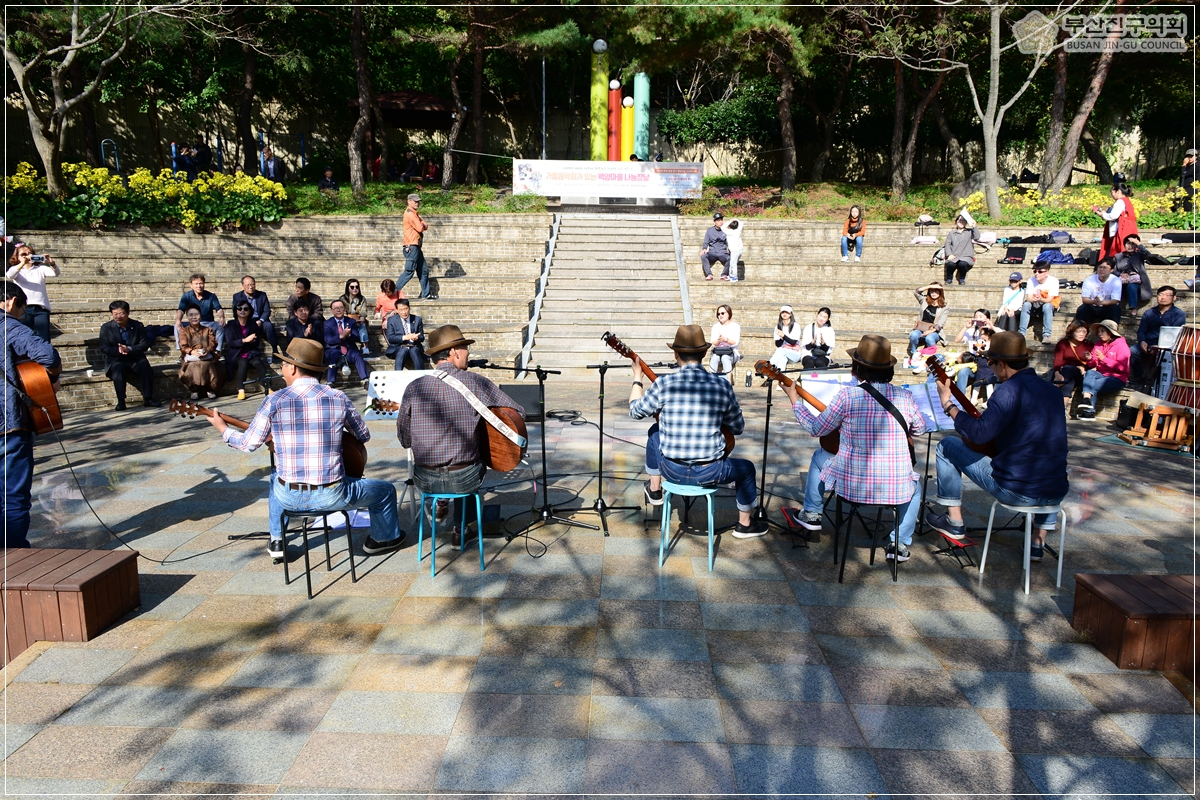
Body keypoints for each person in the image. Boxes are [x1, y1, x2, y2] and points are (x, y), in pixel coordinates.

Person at [209, 337, 405, 560]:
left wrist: (223, 428)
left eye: (283, 364)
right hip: (332, 496)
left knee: (275, 478)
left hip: (288, 496)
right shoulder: (337, 397)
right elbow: (363, 435)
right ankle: (382, 539)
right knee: (385, 491)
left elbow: (247, 444)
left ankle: (277, 540)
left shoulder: (274, 400)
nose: (282, 369)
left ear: (292, 367)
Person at [926, 331, 1069, 563]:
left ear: (1003, 365)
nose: (989, 366)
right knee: (1050, 460)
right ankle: (1037, 541)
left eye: (991, 362)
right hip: (1056, 493)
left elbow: (978, 434)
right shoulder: (1053, 391)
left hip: (1018, 493)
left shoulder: (1008, 391)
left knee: (948, 445)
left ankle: (954, 522)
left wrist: (947, 404)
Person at [784, 334, 926, 563]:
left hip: (853, 486)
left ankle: (812, 514)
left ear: (856, 369)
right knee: (915, 488)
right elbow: (919, 429)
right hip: (894, 487)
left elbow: (817, 428)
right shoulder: (904, 396)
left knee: (821, 456)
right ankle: (898, 544)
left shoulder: (847, 396)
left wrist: (795, 402)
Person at [631, 324, 767, 538]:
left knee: (655, 432)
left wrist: (637, 378)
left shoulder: (664, 384)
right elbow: (738, 428)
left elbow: (635, 411)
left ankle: (655, 488)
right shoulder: (721, 386)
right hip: (710, 471)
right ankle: (745, 525)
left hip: (670, 469)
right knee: (747, 468)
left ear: (676, 354)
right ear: (705, 353)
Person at [398, 325, 525, 547]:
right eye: (465, 348)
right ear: (454, 352)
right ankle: (460, 530)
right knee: (472, 461)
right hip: (464, 478)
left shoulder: (414, 387)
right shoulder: (475, 382)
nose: (469, 353)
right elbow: (518, 412)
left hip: (425, 480)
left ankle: (441, 502)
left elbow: (404, 440)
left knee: (451, 457)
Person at [2, 281, 62, 548]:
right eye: (22, 310)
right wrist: (53, 378)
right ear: (13, 302)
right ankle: (14, 556)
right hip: (9, 424)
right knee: (13, 494)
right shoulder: (9, 326)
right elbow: (48, 355)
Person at [99, 300, 160, 411]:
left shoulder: (137, 325)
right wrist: (119, 350)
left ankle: (148, 398)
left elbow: (144, 344)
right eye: (115, 314)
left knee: (145, 366)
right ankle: (121, 401)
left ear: (128, 313)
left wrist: (130, 349)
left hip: (135, 357)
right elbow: (104, 348)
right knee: (118, 369)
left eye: (121, 313)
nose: (118, 316)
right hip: (117, 359)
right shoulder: (106, 328)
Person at [1076, 319, 1130, 419]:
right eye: (1099, 331)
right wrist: (1090, 359)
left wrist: (1104, 359)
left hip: (1118, 378)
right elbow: (1093, 364)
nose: (1100, 334)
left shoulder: (1122, 346)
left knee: (1092, 385)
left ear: (1111, 332)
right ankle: (1086, 399)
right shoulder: (1098, 344)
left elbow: (1123, 368)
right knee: (1090, 372)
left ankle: (1089, 413)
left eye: (1102, 331)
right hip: (1102, 374)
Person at [6, 244, 59, 341]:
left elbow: (56, 273)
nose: (27, 256)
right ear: (17, 257)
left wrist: (51, 262)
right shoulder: (17, 270)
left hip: (41, 308)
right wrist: (23, 263)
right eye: (23, 254)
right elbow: (10, 275)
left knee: (44, 338)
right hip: (23, 308)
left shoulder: (40, 269)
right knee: (24, 338)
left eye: (30, 253)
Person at [1136, 285, 1185, 387]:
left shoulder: (1179, 314)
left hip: (1166, 346)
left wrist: (1158, 346)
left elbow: (1174, 334)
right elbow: (1141, 330)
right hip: (1148, 343)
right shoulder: (1149, 313)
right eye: (1161, 294)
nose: (1163, 297)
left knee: (1164, 356)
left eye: (1168, 295)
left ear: (1174, 298)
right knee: (1132, 351)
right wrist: (1142, 342)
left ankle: (1156, 383)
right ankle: (1138, 378)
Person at [225, 301, 271, 399]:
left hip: (250, 352)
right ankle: (241, 390)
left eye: (246, 309)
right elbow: (230, 343)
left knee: (258, 362)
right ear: (235, 311)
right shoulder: (230, 325)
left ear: (250, 311)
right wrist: (244, 340)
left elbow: (257, 342)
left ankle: (268, 387)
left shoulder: (252, 325)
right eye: (239, 308)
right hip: (236, 354)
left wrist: (252, 341)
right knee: (243, 363)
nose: (242, 311)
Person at [178, 307, 224, 400]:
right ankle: (194, 390)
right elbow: (183, 345)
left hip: (206, 356)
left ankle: (210, 389)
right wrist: (191, 351)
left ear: (200, 316)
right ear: (187, 317)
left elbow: (213, 342)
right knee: (193, 366)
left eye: (196, 314)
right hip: (191, 358)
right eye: (191, 315)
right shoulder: (184, 331)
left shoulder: (208, 329)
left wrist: (207, 350)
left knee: (207, 364)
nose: (194, 317)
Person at [1050, 319, 1094, 413]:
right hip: (1064, 374)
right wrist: (1057, 373)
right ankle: (1062, 410)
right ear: (1072, 332)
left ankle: (1053, 387)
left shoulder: (1089, 345)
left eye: (1084, 331)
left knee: (1069, 370)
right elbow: (1058, 360)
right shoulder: (1063, 343)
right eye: (1078, 331)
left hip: (1080, 375)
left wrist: (1085, 365)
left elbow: (1093, 364)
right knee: (1069, 380)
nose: (1082, 334)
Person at [231, 275, 280, 358]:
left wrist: (261, 320)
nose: (250, 287)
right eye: (248, 285)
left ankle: (275, 349)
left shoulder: (262, 295)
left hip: (260, 320)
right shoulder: (237, 296)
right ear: (242, 286)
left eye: (252, 284)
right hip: (247, 320)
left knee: (269, 326)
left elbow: (267, 311)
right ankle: (247, 353)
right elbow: (235, 312)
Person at [324, 300, 369, 388]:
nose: (338, 310)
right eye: (336, 308)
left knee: (357, 355)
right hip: (333, 349)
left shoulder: (351, 321)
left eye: (341, 308)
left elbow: (357, 337)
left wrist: (349, 335)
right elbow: (328, 340)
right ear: (331, 310)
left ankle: (366, 380)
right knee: (334, 355)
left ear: (344, 309)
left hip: (349, 349)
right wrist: (341, 336)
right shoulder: (327, 323)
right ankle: (330, 382)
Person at [397, 193, 433, 301]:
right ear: (409, 201)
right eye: (415, 201)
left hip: (416, 246)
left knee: (423, 270)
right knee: (409, 271)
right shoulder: (410, 214)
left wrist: (423, 224)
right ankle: (393, 293)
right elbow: (421, 227)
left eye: (418, 201)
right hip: (412, 246)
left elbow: (424, 224)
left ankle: (426, 294)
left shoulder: (414, 214)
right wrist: (423, 225)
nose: (417, 203)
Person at [176, 273, 226, 349]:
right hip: (192, 323)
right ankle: (182, 351)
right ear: (191, 285)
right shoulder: (186, 296)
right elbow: (181, 310)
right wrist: (178, 320)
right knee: (176, 326)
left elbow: (218, 309)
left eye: (201, 283)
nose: (199, 286)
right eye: (196, 284)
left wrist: (222, 318)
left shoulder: (211, 296)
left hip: (207, 323)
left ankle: (217, 351)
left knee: (220, 326)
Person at [953, 310, 996, 393]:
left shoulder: (992, 332)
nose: (978, 318)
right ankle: (961, 399)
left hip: (987, 364)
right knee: (963, 371)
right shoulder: (971, 331)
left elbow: (1004, 336)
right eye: (976, 316)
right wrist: (966, 327)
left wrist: (991, 326)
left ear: (988, 318)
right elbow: (957, 340)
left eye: (981, 316)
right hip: (974, 364)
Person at [1094, 181, 1138, 261]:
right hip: (1129, 230)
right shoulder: (1127, 201)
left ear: (1118, 192)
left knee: (1115, 253)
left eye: (1112, 192)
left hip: (1121, 231)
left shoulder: (1120, 202)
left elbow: (1113, 216)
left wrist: (1103, 214)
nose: (1112, 195)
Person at [1074, 258, 1123, 326]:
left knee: (1115, 308)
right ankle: (1080, 329)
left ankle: (1112, 332)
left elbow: (1115, 300)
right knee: (1082, 309)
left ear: (1111, 270)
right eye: (1100, 267)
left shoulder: (1116, 280)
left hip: (1107, 307)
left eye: (1105, 268)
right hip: (1092, 307)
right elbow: (1085, 299)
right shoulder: (1089, 280)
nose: (1102, 270)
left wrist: (1101, 302)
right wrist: (1094, 302)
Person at [1018, 264, 1061, 343]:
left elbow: (1049, 299)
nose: (1036, 273)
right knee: (1026, 305)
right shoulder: (1031, 280)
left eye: (1040, 271)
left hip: (1049, 305)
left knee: (1047, 306)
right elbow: (1029, 298)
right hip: (1036, 304)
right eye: (1035, 271)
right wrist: (1035, 299)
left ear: (1047, 272)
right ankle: (1021, 333)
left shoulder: (1054, 281)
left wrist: (1041, 298)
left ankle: (1047, 335)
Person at [1113, 234, 1153, 316]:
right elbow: (1113, 270)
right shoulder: (1118, 256)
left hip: (1136, 281)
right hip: (1121, 281)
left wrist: (1138, 243)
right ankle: (1113, 307)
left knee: (1131, 286)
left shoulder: (1139, 255)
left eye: (1133, 244)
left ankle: (1133, 308)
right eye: (1128, 244)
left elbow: (1148, 255)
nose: (1130, 246)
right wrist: (1121, 274)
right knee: (1115, 285)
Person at [909, 283, 949, 356]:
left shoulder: (944, 306)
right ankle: (914, 354)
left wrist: (930, 331)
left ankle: (930, 357)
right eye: (932, 291)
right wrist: (930, 286)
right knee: (913, 335)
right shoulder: (924, 300)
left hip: (934, 330)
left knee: (929, 338)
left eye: (936, 291)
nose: (934, 293)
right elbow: (916, 292)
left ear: (940, 293)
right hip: (920, 328)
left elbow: (940, 323)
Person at [385, 299, 425, 370]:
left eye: (406, 309)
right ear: (397, 310)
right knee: (403, 350)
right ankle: (397, 375)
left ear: (409, 308)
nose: (404, 312)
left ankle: (421, 376)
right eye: (401, 310)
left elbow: (422, 337)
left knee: (414, 350)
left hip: (413, 345)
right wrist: (405, 337)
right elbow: (390, 338)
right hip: (398, 347)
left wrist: (417, 338)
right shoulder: (392, 320)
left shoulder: (417, 319)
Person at [339, 278, 372, 356]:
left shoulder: (362, 299)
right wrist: (351, 321)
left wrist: (361, 320)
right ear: (348, 288)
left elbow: (363, 312)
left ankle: (365, 347)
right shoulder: (343, 299)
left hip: (359, 319)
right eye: (352, 287)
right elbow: (342, 312)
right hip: (347, 319)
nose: (355, 289)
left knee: (363, 327)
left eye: (357, 287)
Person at [942, 211, 977, 285]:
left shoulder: (969, 232)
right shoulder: (951, 233)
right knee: (950, 264)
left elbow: (977, 237)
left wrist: (974, 227)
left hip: (966, 256)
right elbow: (947, 244)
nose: (961, 222)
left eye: (963, 221)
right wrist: (949, 254)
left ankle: (962, 279)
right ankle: (949, 279)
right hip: (954, 255)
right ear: (956, 222)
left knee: (963, 264)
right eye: (959, 220)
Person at [768, 305, 803, 371]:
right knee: (782, 359)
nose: (784, 314)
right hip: (783, 354)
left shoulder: (796, 326)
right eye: (783, 312)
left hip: (794, 354)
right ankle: (780, 379)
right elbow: (778, 344)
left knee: (781, 350)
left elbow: (793, 342)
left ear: (790, 314)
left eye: (786, 312)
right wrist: (781, 338)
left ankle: (768, 368)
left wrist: (783, 336)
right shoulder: (778, 327)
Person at [709, 304, 741, 378]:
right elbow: (713, 343)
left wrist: (725, 340)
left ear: (729, 313)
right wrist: (718, 341)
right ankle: (711, 380)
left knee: (725, 357)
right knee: (715, 357)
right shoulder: (715, 326)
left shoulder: (735, 326)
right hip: (718, 351)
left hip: (732, 352)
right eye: (718, 314)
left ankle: (729, 382)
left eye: (722, 313)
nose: (720, 315)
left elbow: (735, 342)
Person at [700, 212, 731, 281]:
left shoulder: (726, 231)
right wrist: (704, 249)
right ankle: (709, 274)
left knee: (732, 258)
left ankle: (724, 274)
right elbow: (706, 242)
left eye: (721, 220)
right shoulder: (709, 231)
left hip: (722, 253)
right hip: (712, 253)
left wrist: (730, 250)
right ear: (714, 222)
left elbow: (729, 242)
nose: (720, 222)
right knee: (703, 256)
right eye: (718, 220)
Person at [1179, 148, 1197, 213]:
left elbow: (1184, 174)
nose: (1189, 158)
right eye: (1188, 156)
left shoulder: (1195, 166)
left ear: (1196, 157)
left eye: (1191, 156)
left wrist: (1184, 165)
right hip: (1186, 189)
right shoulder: (1190, 166)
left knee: (1188, 209)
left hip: (1191, 190)